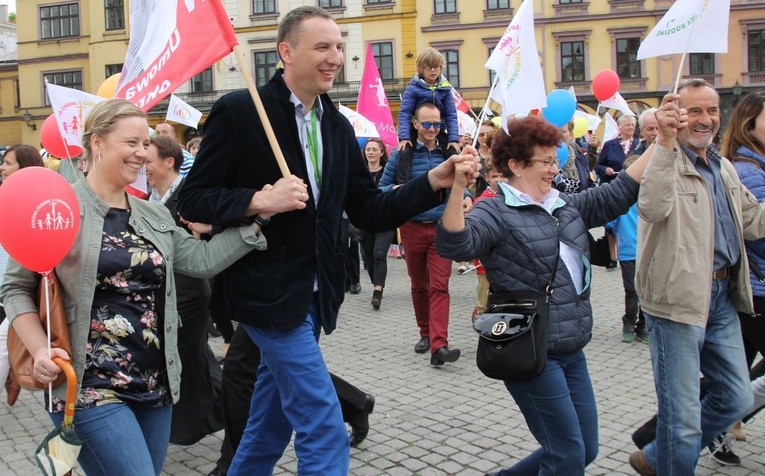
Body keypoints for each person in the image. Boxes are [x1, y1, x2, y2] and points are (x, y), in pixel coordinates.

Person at [177, 7, 476, 474]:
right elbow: (191, 199)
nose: (335, 57)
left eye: (339, 47)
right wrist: (259, 199)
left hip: (318, 295)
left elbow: (369, 209)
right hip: (267, 298)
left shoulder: (337, 125)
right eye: (322, 47)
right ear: (286, 52)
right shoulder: (241, 111)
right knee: (324, 426)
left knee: (268, 427)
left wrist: (432, 182)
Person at [0, 99, 268, 476]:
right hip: (89, 385)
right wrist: (39, 348)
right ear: (97, 143)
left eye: (145, 144)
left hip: (155, 384)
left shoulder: (153, 213)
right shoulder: (57, 206)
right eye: (132, 143)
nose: (142, 153)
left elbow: (201, 260)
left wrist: (258, 220)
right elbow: (15, 287)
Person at [436, 114, 652, 476]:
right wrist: (458, 189)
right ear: (516, 165)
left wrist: (659, 143)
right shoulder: (496, 210)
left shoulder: (563, 204)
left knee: (585, 447)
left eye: (557, 159)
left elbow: (618, 193)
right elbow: (455, 243)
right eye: (546, 161)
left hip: (570, 346)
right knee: (566, 454)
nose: (555, 168)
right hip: (530, 348)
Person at [629, 79, 765, 476]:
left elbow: (753, 220)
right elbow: (652, 208)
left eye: (712, 110)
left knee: (738, 397)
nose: (706, 119)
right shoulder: (664, 158)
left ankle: (658, 457)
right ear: (677, 115)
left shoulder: (722, 166)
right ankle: (672, 458)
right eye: (695, 111)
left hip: (722, 295)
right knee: (682, 418)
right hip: (676, 300)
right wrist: (667, 143)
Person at [145, 135, 226, 445]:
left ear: (169, 162)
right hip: (167, 294)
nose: (145, 167)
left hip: (191, 294)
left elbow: (216, 236)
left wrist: (206, 230)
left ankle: (190, 425)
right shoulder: (150, 201)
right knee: (197, 360)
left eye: (149, 161)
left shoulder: (190, 197)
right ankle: (226, 407)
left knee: (184, 359)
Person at [380, 102, 472, 366]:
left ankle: (439, 345)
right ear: (415, 124)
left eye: (437, 124)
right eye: (428, 124)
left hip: (444, 228)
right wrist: (401, 190)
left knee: (440, 286)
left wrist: (466, 197)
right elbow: (382, 190)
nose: (433, 129)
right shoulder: (401, 155)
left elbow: (460, 184)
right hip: (411, 226)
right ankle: (425, 333)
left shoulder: (449, 152)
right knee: (419, 285)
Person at [0, 144, 45, 406]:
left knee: (5, 341)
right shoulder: (4, 194)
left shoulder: (41, 200)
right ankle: (15, 375)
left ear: (25, 166)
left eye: (8, 162)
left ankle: (16, 374)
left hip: (23, 286)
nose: (2, 168)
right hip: (4, 279)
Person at [395, 47, 460, 186]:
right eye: (428, 67)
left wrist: (454, 138)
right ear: (421, 69)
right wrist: (404, 137)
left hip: (437, 127)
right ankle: (402, 185)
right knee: (404, 152)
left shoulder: (445, 88)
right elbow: (405, 113)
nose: (432, 70)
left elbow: (451, 114)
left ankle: (460, 182)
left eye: (436, 67)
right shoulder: (413, 88)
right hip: (416, 128)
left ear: (441, 68)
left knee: (453, 151)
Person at [604, 155, 647, 344]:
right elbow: (609, 223)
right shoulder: (622, 201)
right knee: (632, 291)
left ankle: (643, 325)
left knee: (647, 292)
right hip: (629, 252)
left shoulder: (651, 197)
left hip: (649, 252)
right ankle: (629, 321)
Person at [597, 114, 638, 270]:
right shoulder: (610, 145)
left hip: (633, 188)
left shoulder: (638, 145)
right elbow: (598, 166)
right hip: (613, 187)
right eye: (627, 125)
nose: (630, 128)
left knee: (630, 223)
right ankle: (613, 256)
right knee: (611, 225)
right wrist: (605, 170)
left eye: (632, 125)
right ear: (619, 127)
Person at [360, 138, 395, 310]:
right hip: (365, 221)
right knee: (368, 258)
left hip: (385, 219)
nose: (371, 152)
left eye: (375, 149)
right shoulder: (359, 174)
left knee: (379, 254)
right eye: (368, 149)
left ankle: (377, 292)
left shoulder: (387, 173)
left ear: (382, 153)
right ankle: (377, 281)